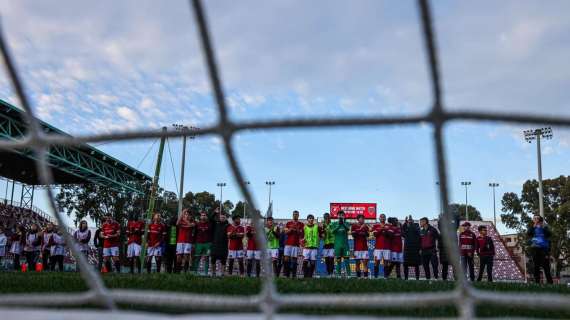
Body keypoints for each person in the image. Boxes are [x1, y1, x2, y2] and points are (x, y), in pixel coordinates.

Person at [527, 215, 553, 284]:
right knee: (536, 266)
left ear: (540, 220)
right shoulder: (532, 228)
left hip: (544, 249)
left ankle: (550, 283)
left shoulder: (544, 227)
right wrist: (533, 226)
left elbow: (549, 234)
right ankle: (537, 283)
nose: (535, 219)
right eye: (534, 218)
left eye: (537, 218)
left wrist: (543, 227)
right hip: (535, 248)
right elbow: (528, 233)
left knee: (546, 266)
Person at [283, 210, 304, 278]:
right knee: (286, 259)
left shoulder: (301, 224)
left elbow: (301, 234)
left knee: (294, 260)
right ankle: (286, 275)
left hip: (296, 244)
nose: (295, 215)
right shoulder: (288, 223)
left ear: (298, 215)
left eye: (296, 214)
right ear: (292, 215)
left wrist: (297, 229)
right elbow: (286, 232)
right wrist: (291, 229)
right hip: (288, 244)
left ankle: (294, 276)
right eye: (294, 214)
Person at [331, 211, 351, 277]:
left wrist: (343, 224)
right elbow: (332, 231)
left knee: (347, 261)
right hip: (337, 246)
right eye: (339, 215)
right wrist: (339, 225)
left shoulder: (347, 223)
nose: (340, 216)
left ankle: (349, 276)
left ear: (344, 216)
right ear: (337, 216)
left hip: (346, 246)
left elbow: (348, 229)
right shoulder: (334, 223)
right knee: (338, 261)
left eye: (342, 215)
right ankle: (339, 276)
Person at [402, 215, 421, 280]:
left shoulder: (416, 226)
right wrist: (405, 223)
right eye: (409, 220)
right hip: (407, 249)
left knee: (416, 265)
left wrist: (411, 224)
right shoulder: (406, 227)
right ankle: (406, 278)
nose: (410, 221)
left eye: (411, 220)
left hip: (415, 248)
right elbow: (402, 232)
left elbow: (418, 233)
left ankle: (417, 279)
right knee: (405, 264)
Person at [372, 214, 391, 278]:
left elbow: (390, 235)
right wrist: (381, 229)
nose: (382, 218)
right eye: (381, 217)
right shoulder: (375, 225)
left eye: (384, 217)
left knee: (386, 263)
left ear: (385, 219)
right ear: (379, 218)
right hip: (378, 248)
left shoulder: (389, 226)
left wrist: (385, 230)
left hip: (387, 248)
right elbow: (375, 234)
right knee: (376, 262)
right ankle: (375, 277)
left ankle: (385, 277)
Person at [194, 211, 213, 276]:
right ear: (200, 216)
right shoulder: (197, 224)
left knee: (207, 258)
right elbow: (195, 234)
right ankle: (195, 272)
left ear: (206, 216)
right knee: (197, 258)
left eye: (204, 215)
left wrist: (211, 243)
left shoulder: (209, 224)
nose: (203, 216)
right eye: (202, 215)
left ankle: (206, 273)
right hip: (198, 243)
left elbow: (212, 234)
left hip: (207, 243)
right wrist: (194, 243)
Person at [211, 212, 229, 277]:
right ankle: (213, 273)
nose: (222, 218)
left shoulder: (228, 225)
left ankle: (222, 273)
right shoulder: (216, 224)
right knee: (213, 259)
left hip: (224, 246)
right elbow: (211, 219)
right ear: (219, 218)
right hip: (215, 245)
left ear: (226, 218)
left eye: (224, 217)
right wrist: (214, 213)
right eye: (221, 217)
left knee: (223, 260)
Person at [351, 214, 370, 278]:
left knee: (365, 263)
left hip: (365, 248)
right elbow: (353, 235)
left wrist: (364, 231)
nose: (362, 220)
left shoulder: (366, 226)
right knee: (357, 264)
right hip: (357, 248)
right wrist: (360, 228)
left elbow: (368, 235)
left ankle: (365, 278)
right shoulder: (354, 226)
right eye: (361, 218)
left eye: (363, 218)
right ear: (358, 219)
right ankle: (358, 278)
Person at [320, 213, 335, 277]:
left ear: (329, 218)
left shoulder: (333, 224)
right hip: (325, 244)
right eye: (325, 218)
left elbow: (333, 232)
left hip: (332, 243)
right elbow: (321, 236)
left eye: (327, 217)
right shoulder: (322, 225)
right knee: (327, 260)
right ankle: (328, 273)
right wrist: (322, 234)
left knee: (331, 259)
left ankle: (331, 273)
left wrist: (327, 230)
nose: (326, 219)